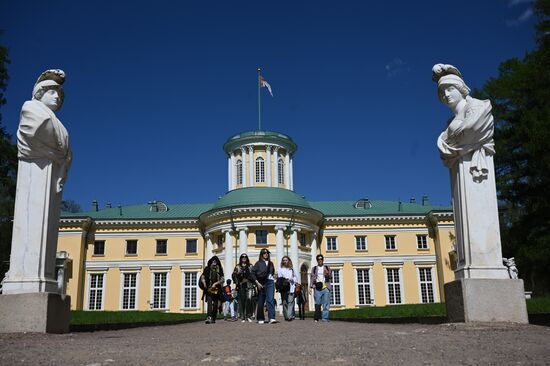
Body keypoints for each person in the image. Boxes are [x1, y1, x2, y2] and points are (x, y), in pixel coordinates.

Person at [251, 248, 277, 324]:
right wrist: (257, 283)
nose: (266, 254)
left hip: (270, 282)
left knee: (270, 299)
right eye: (264, 253)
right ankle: (260, 318)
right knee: (261, 300)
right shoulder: (258, 263)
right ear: (261, 254)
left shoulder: (271, 263)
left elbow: (272, 273)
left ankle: (271, 318)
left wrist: (275, 278)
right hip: (261, 283)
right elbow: (252, 273)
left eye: (267, 253)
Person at [200, 256, 224, 324]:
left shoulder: (219, 269)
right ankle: (209, 317)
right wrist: (204, 282)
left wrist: (216, 283)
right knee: (209, 303)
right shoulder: (207, 268)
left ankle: (213, 317)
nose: (214, 262)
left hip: (216, 288)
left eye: (215, 261)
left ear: (217, 262)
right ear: (211, 261)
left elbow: (222, 279)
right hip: (209, 288)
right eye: (213, 260)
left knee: (216, 304)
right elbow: (203, 277)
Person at [232, 253, 255, 322]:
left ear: (247, 258)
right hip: (241, 285)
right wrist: (237, 279)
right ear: (241, 258)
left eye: (245, 257)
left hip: (249, 285)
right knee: (242, 301)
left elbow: (254, 275)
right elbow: (233, 275)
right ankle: (243, 316)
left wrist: (253, 282)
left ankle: (248, 315)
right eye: (242, 257)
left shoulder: (250, 266)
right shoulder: (238, 266)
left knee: (249, 299)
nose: (244, 258)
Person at [310, 254, 331, 322]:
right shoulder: (314, 268)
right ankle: (317, 316)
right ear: (317, 260)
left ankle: (325, 318)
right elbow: (312, 278)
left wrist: (327, 273)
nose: (320, 260)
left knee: (326, 304)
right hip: (317, 288)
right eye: (318, 259)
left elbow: (330, 276)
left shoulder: (327, 267)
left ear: (323, 260)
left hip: (326, 287)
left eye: (321, 259)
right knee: (318, 303)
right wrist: (311, 287)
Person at [277, 256, 298, 321]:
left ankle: (289, 316)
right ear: (282, 261)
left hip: (291, 287)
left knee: (290, 302)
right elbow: (279, 278)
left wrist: (292, 279)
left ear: (289, 261)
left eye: (286, 260)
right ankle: (286, 316)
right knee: (284, 302)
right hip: (284, 287)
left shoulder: (292, 269)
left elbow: (296, 278)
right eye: (284, 260)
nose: (285, 261)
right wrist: (285, 280)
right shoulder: (280, 269)